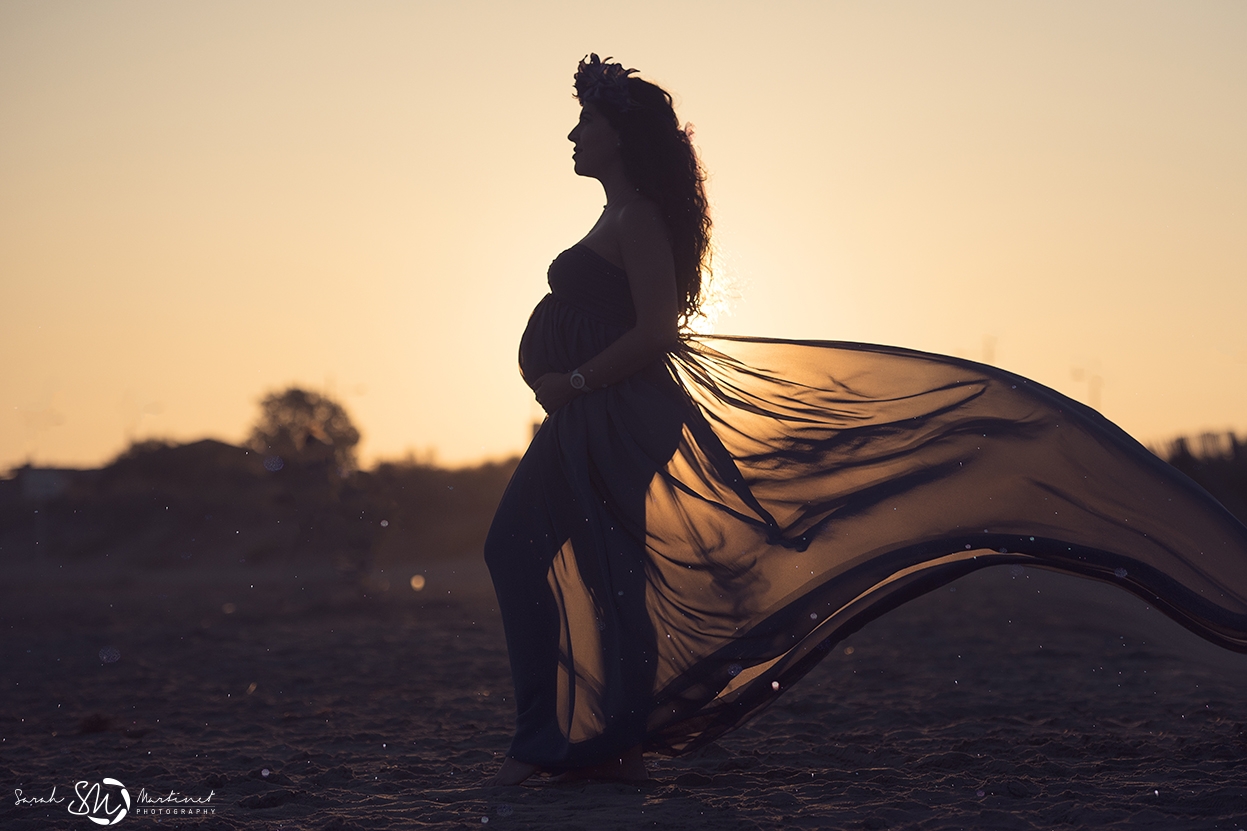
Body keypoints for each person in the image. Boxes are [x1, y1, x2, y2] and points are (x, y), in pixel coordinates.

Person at [482, 54, 1247, 788]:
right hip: (599, 410)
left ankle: (558, 743)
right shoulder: (619, 211)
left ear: (620, 131)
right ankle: (605, 748)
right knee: (603, 571)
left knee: (522, 548)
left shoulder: (640, 216)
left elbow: (655, 331)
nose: (574, 136)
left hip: (612, 410)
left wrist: (574, 379)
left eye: (585, 122)